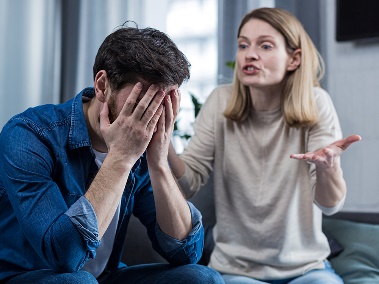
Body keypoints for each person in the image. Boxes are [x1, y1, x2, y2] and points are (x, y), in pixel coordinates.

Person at [0, 26, 224, 284]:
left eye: (165, 101)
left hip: (104, 277)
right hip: (28, 276)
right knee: (77, 281)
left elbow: (186, 253)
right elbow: (66, 257)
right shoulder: (30, 134)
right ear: (102, 86)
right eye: (143, 99)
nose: (152, 114)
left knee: (202, 278)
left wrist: (159, 163)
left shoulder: (143, 145)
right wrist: (120, 157)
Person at [168, 7, 361, 284]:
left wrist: (328, 168)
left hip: (308, 269)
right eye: (243, 45)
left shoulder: (316, 102)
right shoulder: (220, 102)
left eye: (265, 45)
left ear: (294, 59)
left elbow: (329, 206)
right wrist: (164, 144)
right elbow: (187, 184)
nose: (250, 54)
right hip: (237, 271)